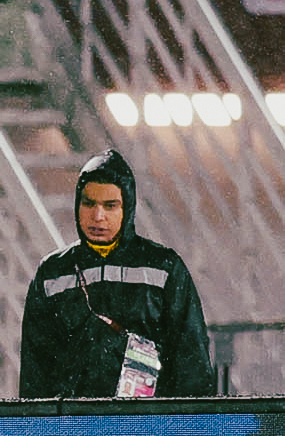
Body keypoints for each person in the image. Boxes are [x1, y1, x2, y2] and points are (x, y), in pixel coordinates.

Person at [19, 148, 214, 398]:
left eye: (110, 206)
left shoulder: (164, 267)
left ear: (127, 208)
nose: (97, 216)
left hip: (147, 428)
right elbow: (35, 368)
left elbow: (191, 361)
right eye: (88, 203)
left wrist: (186, 430)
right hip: (72, 430)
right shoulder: (52, 273)